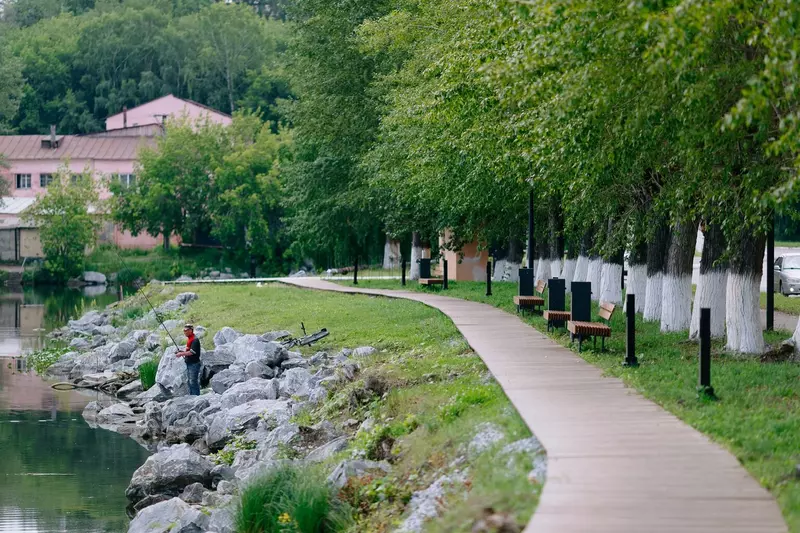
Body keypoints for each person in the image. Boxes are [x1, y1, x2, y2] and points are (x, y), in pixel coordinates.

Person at [176, 324, 201, 396]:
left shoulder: (195, 340)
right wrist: (181, 352)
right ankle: (192, 396)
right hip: (189, 363)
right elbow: (188, 350)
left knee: (193, 381)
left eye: (186, 330)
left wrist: (181, 354)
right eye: (184, 331)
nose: (185, 332)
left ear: (191, 330)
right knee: (190, 382)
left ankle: (196, 397)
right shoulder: (190, 339)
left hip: (194, 364)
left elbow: (192, 352)